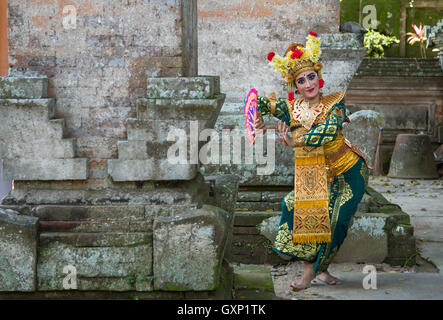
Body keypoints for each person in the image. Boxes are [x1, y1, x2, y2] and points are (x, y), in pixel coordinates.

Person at [253, 31, 371, 291]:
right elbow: (256, 102)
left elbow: (327, 131)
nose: (308, 83)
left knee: (337, 221)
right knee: (295, 206)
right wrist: (257, 121)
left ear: (319, 77)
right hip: (315, 174)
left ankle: (317, 271)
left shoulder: (335, 104)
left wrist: (296, 141)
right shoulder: (291, 108)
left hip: (349, 171)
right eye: (301, 80)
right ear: (295, 87)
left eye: (311, 76)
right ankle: (316, 272)